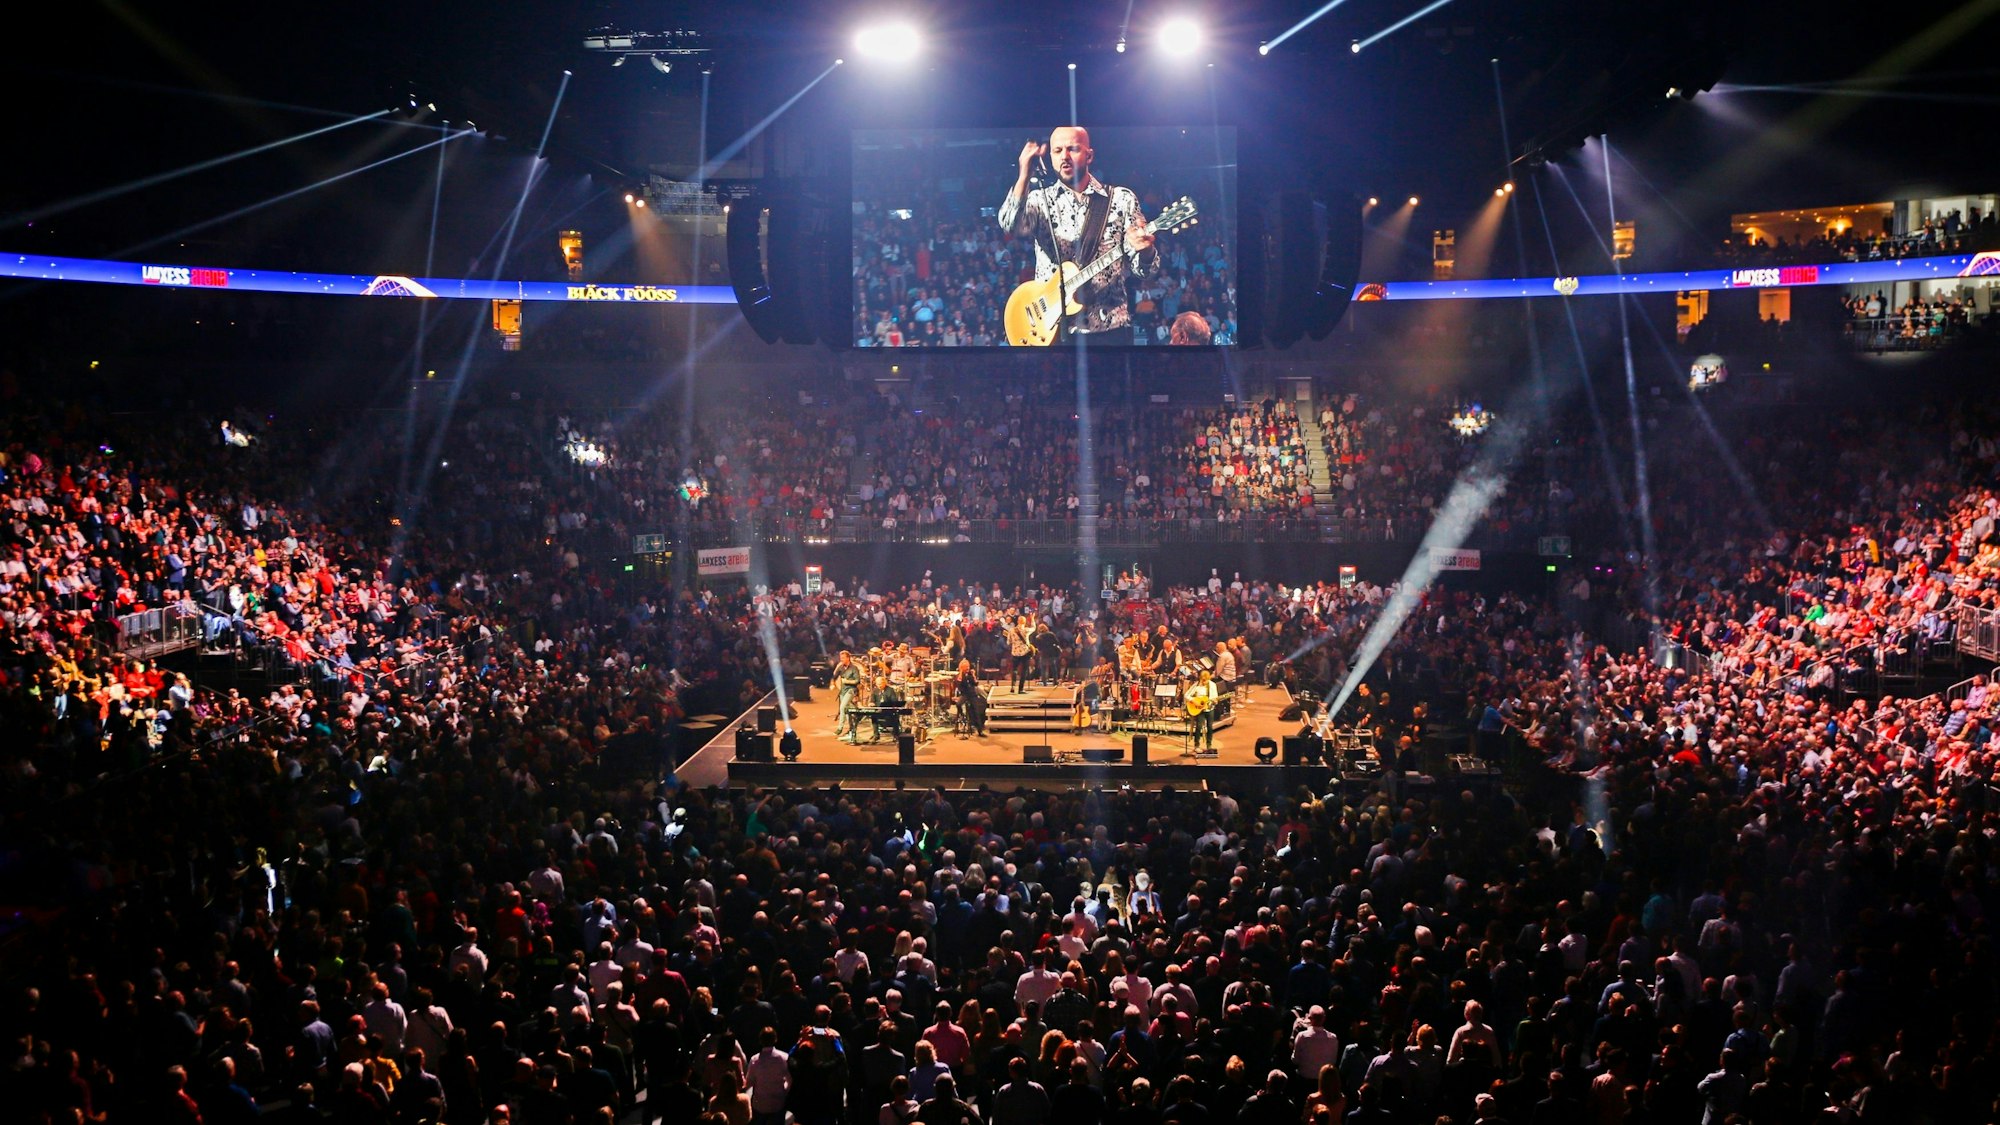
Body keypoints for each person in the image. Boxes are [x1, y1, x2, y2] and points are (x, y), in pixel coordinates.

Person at [998, 126, 1159, 338]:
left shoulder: (1121, 199)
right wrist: (1023, 176)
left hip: (1109, 330)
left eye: (1072, 149)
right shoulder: (1039, 201)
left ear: (1089, 155)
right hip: (1053, 330)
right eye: (1057, 151)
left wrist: (1146, 251)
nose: (1064, 156)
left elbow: (1146, 272)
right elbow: (1009, 224)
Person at [1184, 668, 1220, 752]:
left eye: (1205, 680)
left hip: (1210, 709)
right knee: (1199, 727)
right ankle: (1197, 745)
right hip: (1199, 710)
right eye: (1202, 680)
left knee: (1210, 727)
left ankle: (1209, 745)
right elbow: (1186, 695)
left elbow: (1215, 698)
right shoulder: (1196, 685)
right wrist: (1194, 701)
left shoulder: (1212, 685)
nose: (1203, 682)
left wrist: (1214, 701)